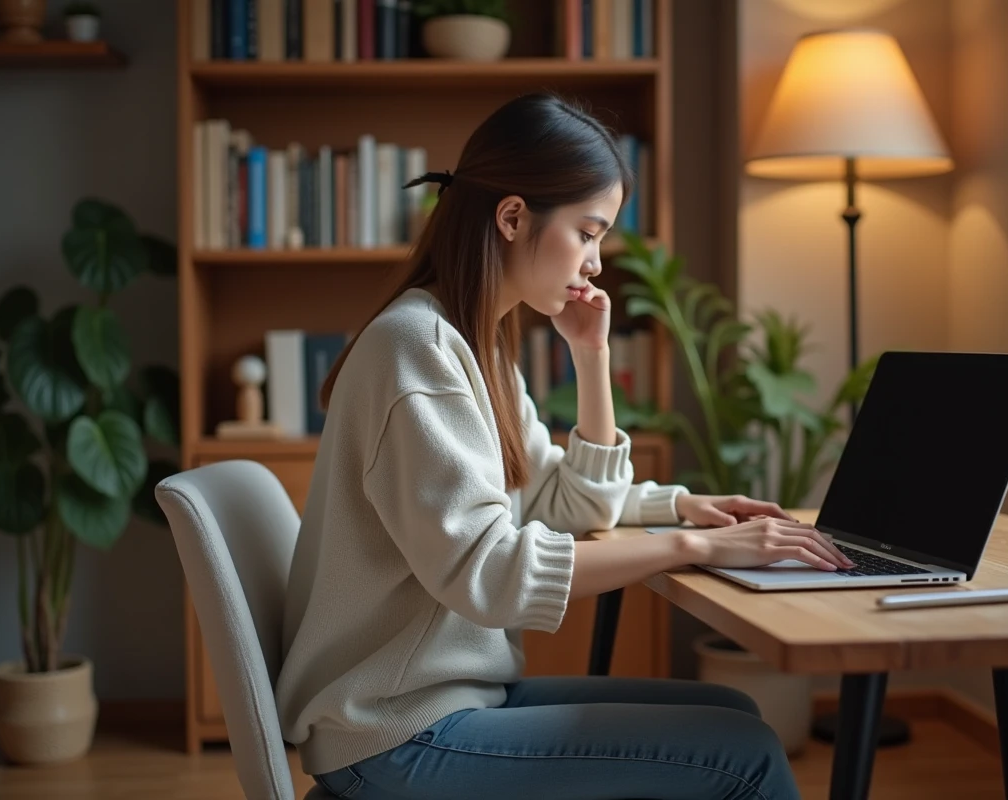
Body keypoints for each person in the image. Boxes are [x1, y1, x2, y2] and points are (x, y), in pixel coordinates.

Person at [275, 92, 853, 800]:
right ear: (513, 217)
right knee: (745, 756)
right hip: (396, 732)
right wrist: (693, 548)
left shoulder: (470, 344)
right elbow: (491, 573)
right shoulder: (417, 350)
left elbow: (566, 499)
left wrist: (596, 367)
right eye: (588, 232)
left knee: (737, 716)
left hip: (443, 701)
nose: (597, 263)